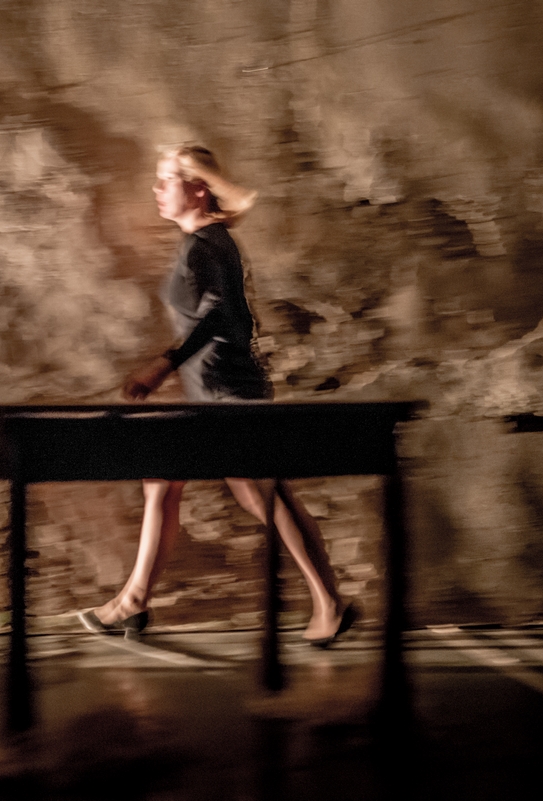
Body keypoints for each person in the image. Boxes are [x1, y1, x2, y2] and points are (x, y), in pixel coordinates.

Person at [78, 145, 355, 647]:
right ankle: (134, 601)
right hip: (214, 392)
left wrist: (162, 365)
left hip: (227, 392)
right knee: (172, 481)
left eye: (167, 180)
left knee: (261, 494)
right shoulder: (208, 242)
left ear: (198, 189)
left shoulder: (205, 244)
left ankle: (329, 602)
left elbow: (220, 316)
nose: (157, 190)